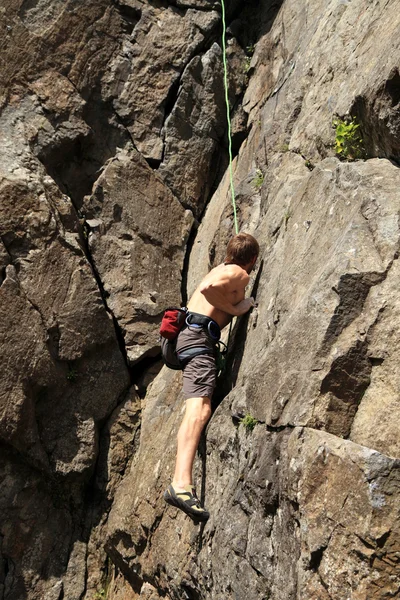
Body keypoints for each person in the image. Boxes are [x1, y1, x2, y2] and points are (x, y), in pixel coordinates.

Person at [164, 233, 260, 521]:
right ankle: (180, 484)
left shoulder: (222, 268)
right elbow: (208, 289)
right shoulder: (238, 273)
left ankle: (180, 483)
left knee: (198, 408)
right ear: (252, 260)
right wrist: (236, 308)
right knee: (199, 409)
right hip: (198, 341)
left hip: (189, 339)